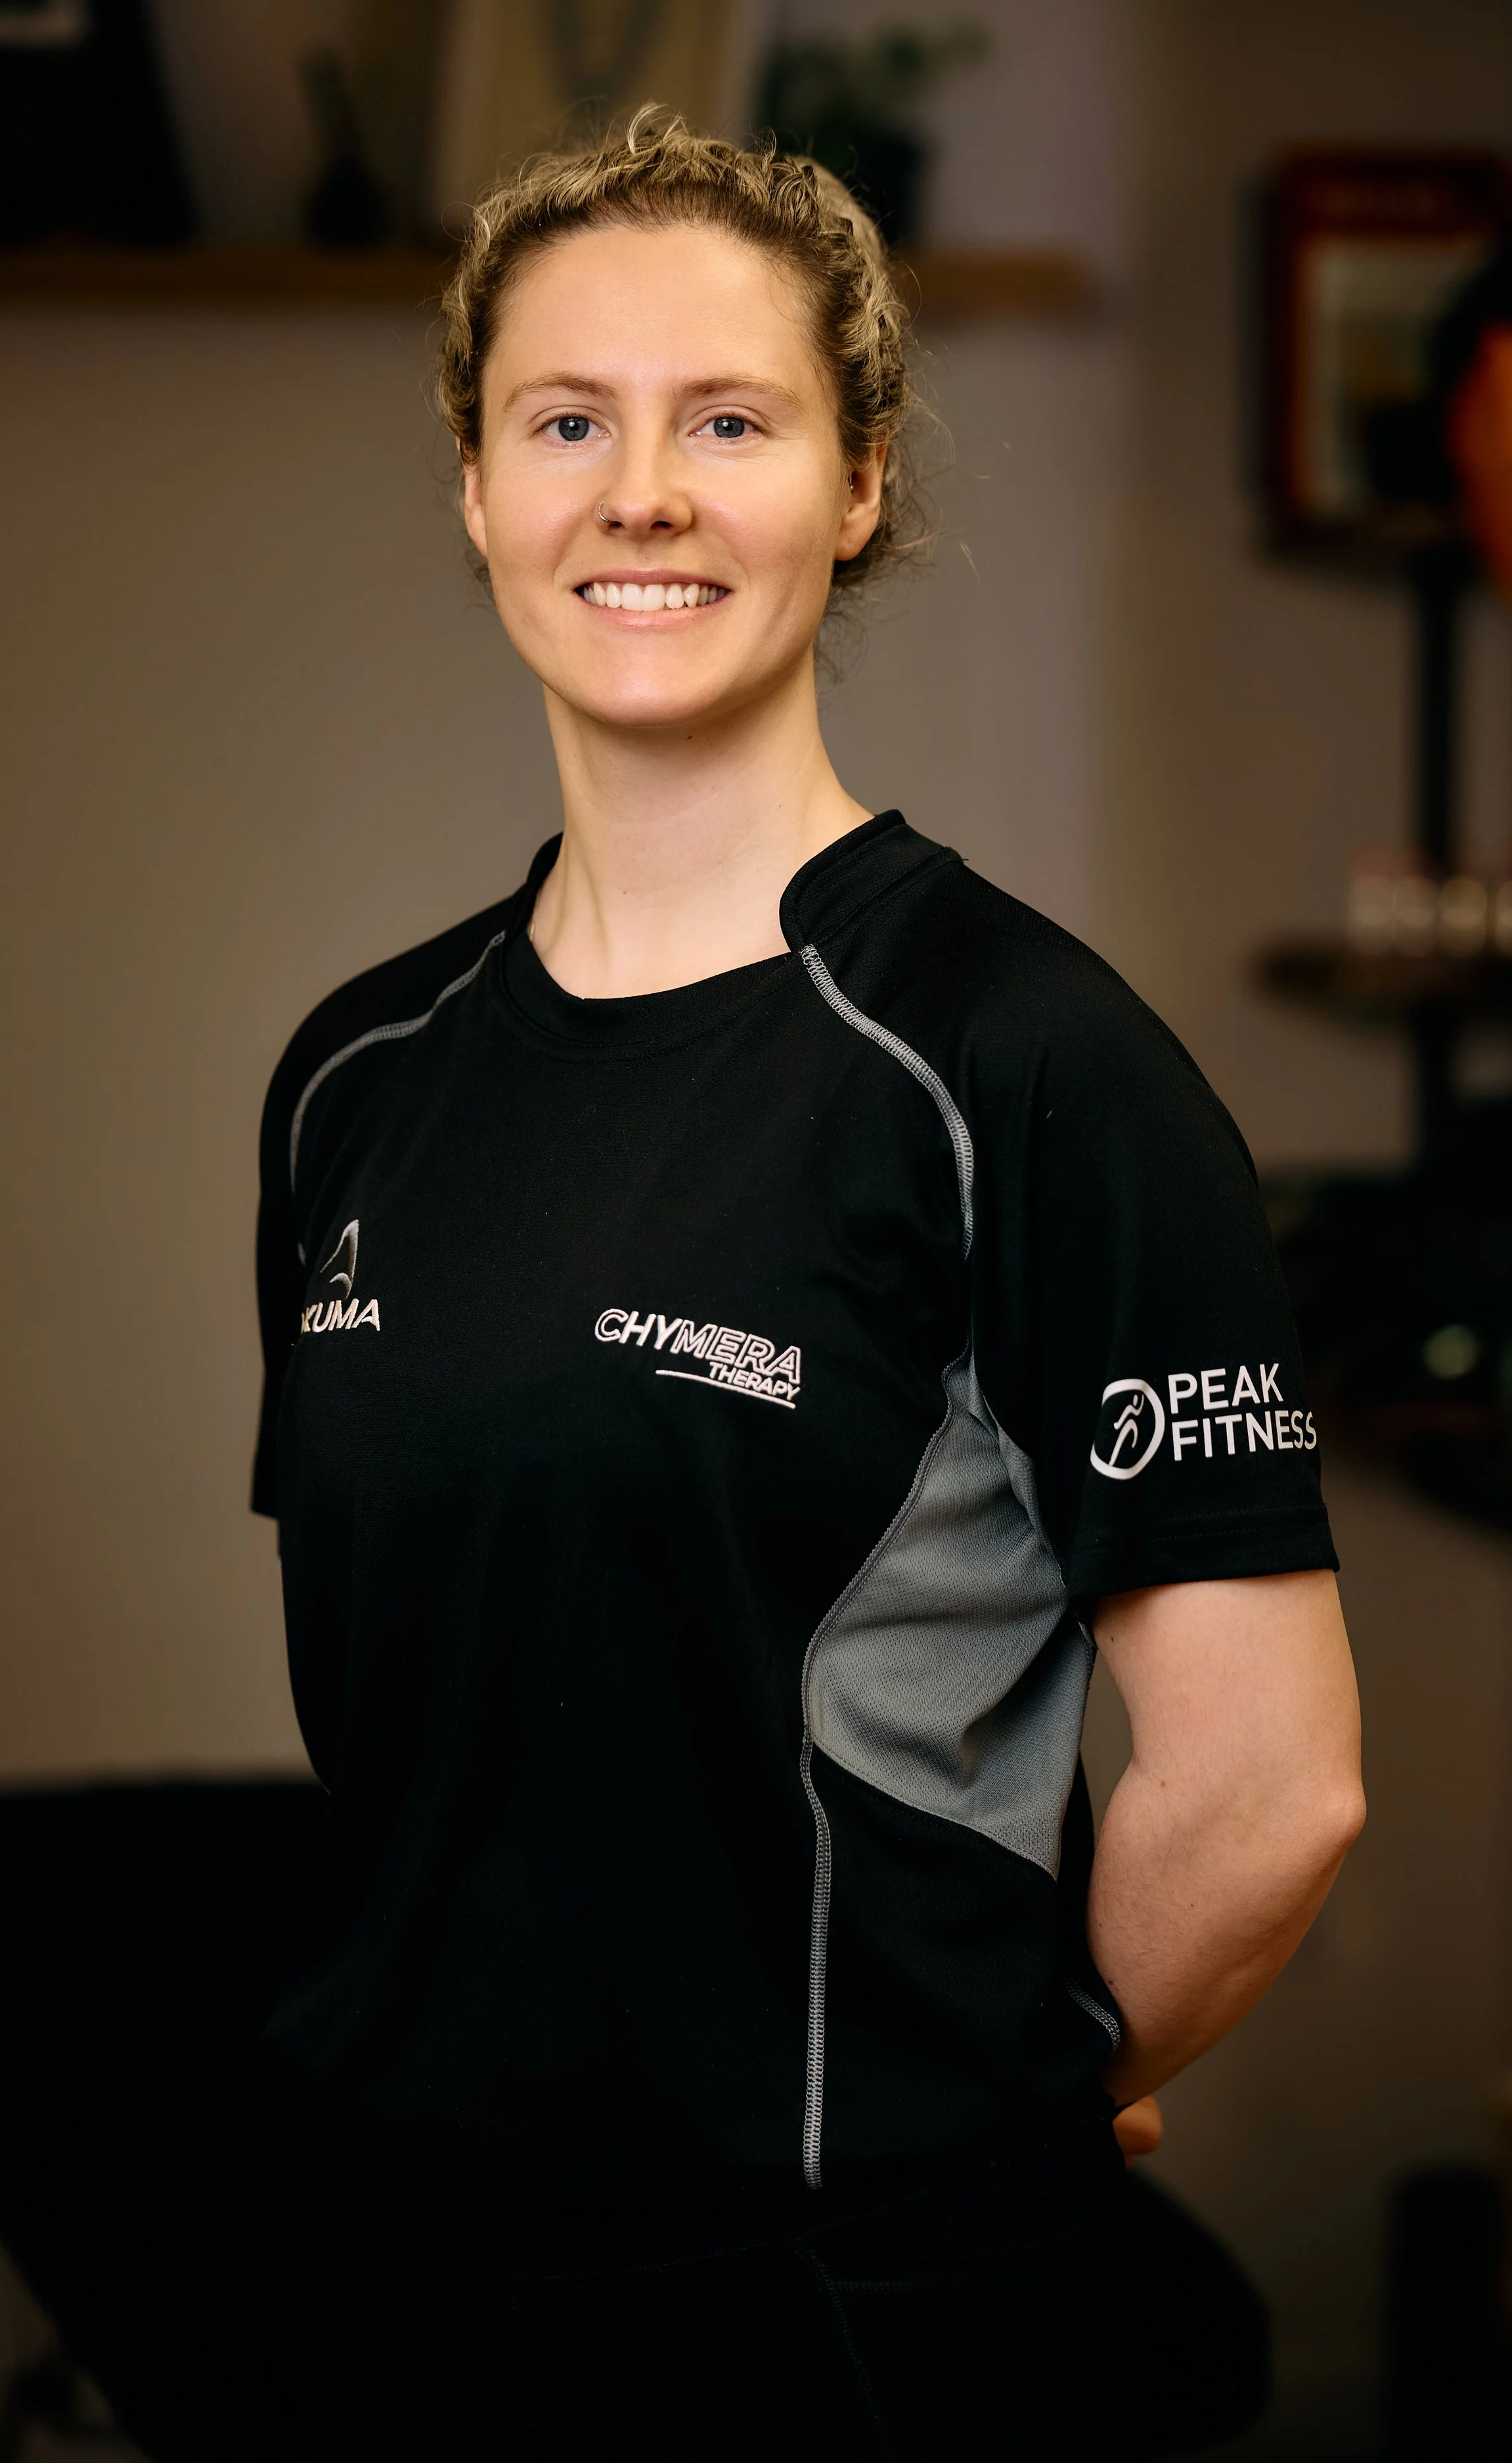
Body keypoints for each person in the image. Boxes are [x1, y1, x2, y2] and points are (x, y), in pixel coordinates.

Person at [249, 114, 1366, 2461]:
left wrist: (1024, 2084)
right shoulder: (355, 1073)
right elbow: (430, 1718)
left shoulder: (1024, 1062)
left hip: (857, 2311)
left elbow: (1268, 1788)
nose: (638, 493)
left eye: (726, 421)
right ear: (476, 489)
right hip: (398, 2284)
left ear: (854, 483)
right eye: (567, 422)